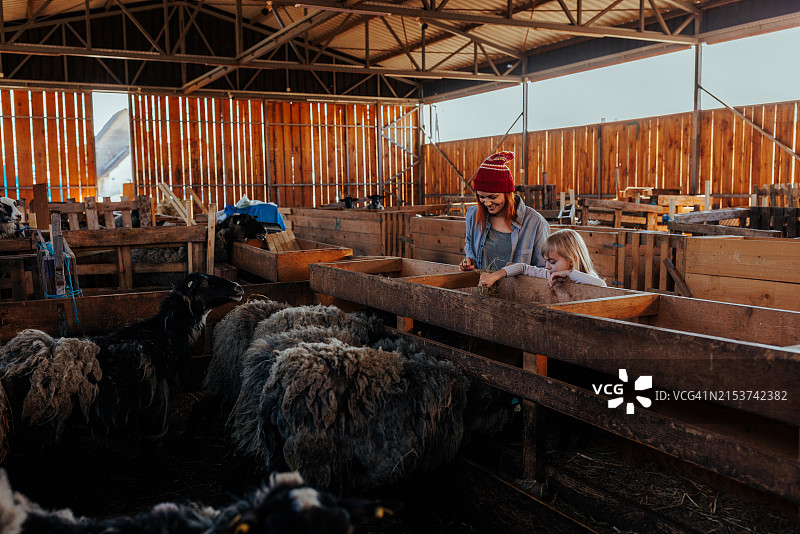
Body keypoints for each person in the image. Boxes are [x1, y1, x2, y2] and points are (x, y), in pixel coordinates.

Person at [460, 151, 550, 272]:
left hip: (519, 290)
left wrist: (519, 271)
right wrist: (470, 260)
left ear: (507, 193)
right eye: (481, 197)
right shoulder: (472, 215)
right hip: (482, 287)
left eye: (493, 197)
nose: (486, 203)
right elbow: (469, 243)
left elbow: (544, 267)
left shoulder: (535, 223)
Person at [478, 228, 607, 288]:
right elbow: (522, 267)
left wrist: (568, 273)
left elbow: (601, 284)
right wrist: (495, 275)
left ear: (571, 262)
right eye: (546, 261)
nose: (547, 266)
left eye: (552, 262)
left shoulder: (587, 279)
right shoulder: (547, 274)